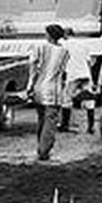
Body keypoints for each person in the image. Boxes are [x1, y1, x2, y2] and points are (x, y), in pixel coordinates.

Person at [26, 24, 70, 161]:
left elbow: (33, 67)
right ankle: (44, 150)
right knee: (50, 122)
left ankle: (41, 148)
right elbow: (63, 72)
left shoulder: (39, 47)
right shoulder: (65, 52)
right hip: (54, 91)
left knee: (41, 120)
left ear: (49, 35)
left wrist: (30, 86)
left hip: (39, 89)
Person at [58, 29, 95, 134]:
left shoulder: (64, 45)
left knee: (67, 99)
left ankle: (65, 125)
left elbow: (62, 61)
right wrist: (91, 78)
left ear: (66, 35)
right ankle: (91, 126)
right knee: (89, 99)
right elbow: (89, 62)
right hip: (85, 73)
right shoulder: (83, 45)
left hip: (72, 74)